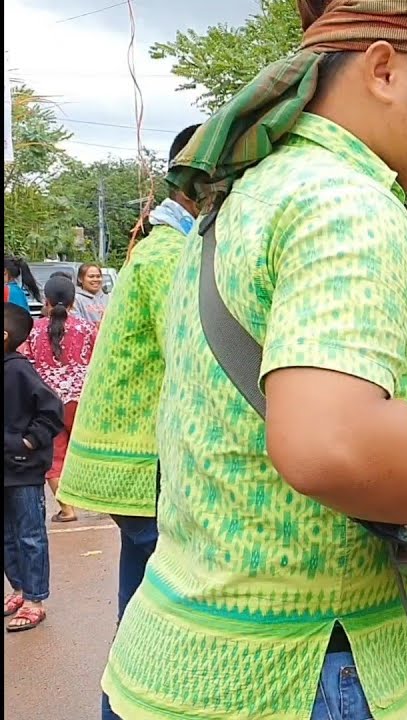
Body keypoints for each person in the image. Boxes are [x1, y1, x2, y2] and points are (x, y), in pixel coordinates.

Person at [98, 2, 407, 718]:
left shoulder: (250, 192)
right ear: (382, 69)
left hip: (179, 660)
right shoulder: (347, 206)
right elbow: (331, 443)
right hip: (295, 675)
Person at [53, 123, 200, 720]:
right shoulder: (172, 256)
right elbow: (202, 352)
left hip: (140, 463)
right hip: (146, 462)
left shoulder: (163, 247)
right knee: (160, 614)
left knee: (141, 597)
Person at [3, 302, 65, 632]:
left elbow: (51, 410)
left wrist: (28, 442)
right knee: (8, 536)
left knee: (29, 535)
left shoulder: (18, 370)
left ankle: (35, 599)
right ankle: (19, 589)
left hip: (23, 470)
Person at [23, 276, 97, 523]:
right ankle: (98, 501)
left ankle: (67, 509)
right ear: (74, 301)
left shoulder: (33, 331)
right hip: (82, 402)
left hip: (48, 404)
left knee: (55, 457)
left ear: (47, 300)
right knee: (88, 452)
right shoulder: (87, 329)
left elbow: (28, 366)